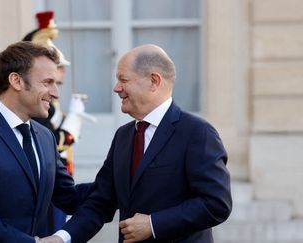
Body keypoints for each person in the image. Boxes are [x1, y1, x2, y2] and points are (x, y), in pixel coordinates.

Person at [40, 44, 232, 243]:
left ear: (153, 81)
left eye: (123, 80)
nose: (116, 88)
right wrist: (60, 239)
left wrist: (153, 224)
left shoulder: (197, 133)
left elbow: (216, 203)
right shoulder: (124, 136)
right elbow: (100, 201)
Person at [0, 41, 92, 243]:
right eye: (47, 82)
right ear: (16, 81)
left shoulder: (45, 136)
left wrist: (116, 179)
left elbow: (69, 197)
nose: (56, 93)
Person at [23, 10, 91, 234]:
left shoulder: (49, 102)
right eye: (47, 79)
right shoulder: (34, 107)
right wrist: (74, 120)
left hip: (58, 180)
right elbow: (57, 141)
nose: (61, 72)